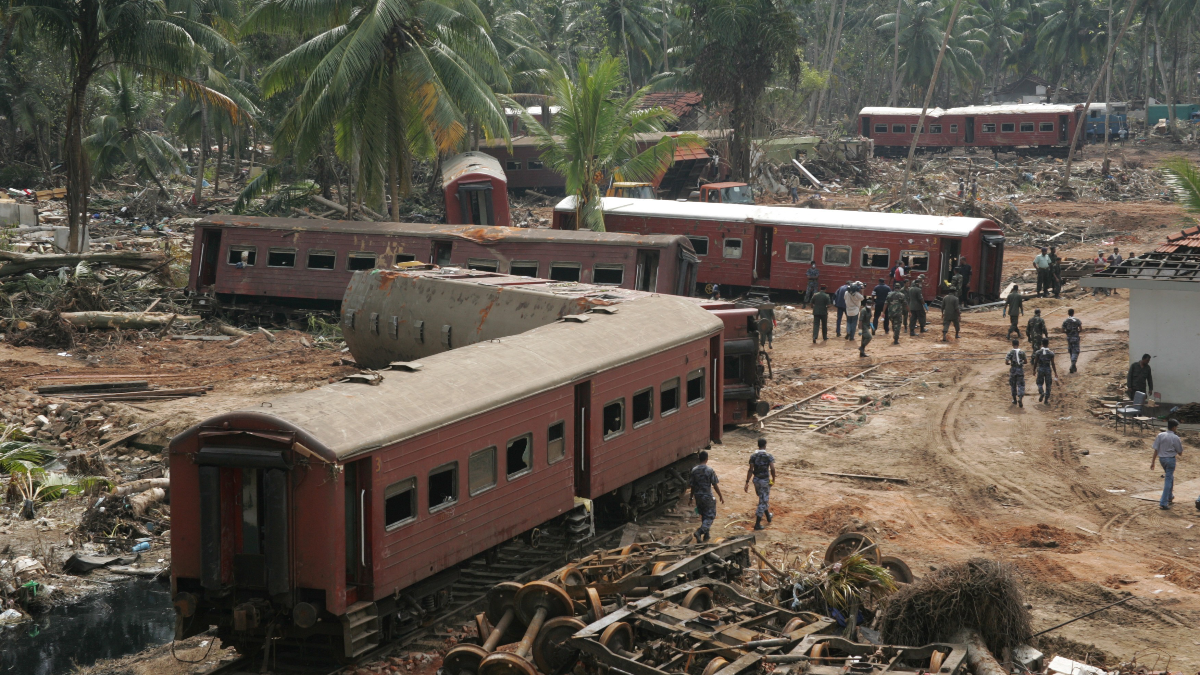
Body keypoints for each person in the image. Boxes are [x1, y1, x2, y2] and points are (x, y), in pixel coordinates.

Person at [687, 450, 724, 542]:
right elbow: (715, 484)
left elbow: (692, 486)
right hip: (707, 495)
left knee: (704, 514)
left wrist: (691, 498)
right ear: (707, 459)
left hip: (698, 496)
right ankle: (700, 532)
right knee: (710, 515)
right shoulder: (709, 470)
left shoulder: (694, 470)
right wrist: (720, 496)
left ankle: (706, 535)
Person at [1151, 419, 1183, 510]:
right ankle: (1163, 502)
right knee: (1168, 479)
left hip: (1162, 460)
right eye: (1176, 427)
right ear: (1173, 427)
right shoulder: (1175, 437)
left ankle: (1170, 496)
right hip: (1171, 460)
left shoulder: (1160, 435)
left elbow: (1156, 449)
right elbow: (1180, 452)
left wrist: (1153, 462)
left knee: (1170, 477)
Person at [744, 438, 776, 530]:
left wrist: (747, 482)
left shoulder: (753, 456)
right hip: (764, 481)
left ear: (758, 445)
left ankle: (768, 517)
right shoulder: (768, 456)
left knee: (762, 498)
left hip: (756, 480)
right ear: (765, 445)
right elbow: (772, 469)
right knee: (763, 501)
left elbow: (750, 470)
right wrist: (773, 479)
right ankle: (757, 524)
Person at [1032, 338, 1059, 403]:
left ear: (1042, 344)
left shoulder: (1038, 352)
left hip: (1040, 369)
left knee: (1039, 383)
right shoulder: (1051, 353)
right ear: (1048, 344)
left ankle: (1041, 392)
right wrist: (1055, 372)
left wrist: (1034, 370)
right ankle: (1046, 399)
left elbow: (1035, 362)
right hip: (1048, 369)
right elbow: (1052, 363)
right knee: (1048, 384)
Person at [1005, 339, 1027, 407]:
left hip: (1013, 370)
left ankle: (1014, 399)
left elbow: (1006, 362)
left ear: (1012, 344)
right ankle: (1020, 398)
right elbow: (1026, 361)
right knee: (1021, 384)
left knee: (1013, 385)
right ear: (1018, 344)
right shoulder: (1022, 352)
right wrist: (1021, 363)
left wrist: (1010, 363)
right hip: (1020, 370)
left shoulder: (1010, 352)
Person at [1061, 309, 1082, 373]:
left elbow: (1062, 330)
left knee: (1071, 351)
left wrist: (1067, 332)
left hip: (1069, 338)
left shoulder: (1065, 321)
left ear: (1068, 313)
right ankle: (1073, 365)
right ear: (1073, 313)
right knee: (1076, 351)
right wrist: (1076, 332)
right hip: (1075, 337)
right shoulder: (1077, 320)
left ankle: (1073, 365)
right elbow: (1081, 329)